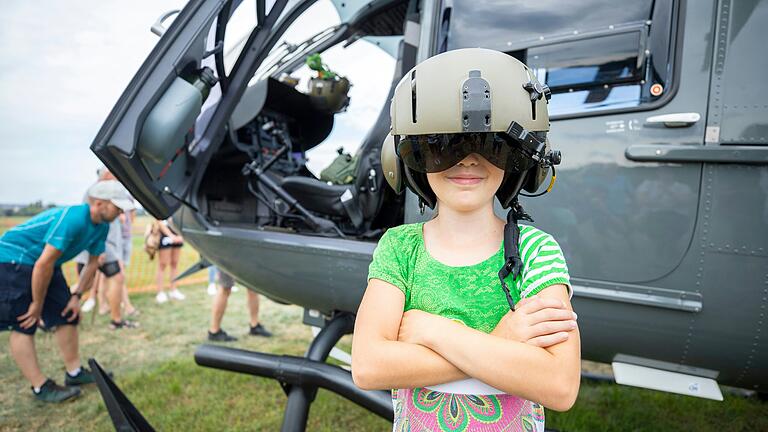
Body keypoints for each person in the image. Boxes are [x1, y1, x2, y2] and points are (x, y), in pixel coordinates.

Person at [351, 49, 580, 431]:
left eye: (490, 144)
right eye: (443, 146)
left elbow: (559, 385)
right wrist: (501, 339)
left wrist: (434, 331)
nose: (468, 161)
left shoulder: (536, 251)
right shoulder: (400, 248)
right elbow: (369, 366)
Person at [0, 180, 133, 402]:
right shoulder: (73, 219)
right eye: (116, 206)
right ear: (99, 203)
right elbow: (43, 264)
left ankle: (74, 373)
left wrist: (76, 296)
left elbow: (93, 262)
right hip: (14, 260)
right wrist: (37, 305)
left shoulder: (102, 226)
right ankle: (40, 387)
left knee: (67, 314)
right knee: (24, 321)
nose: (120, 212)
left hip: (47, 264)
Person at [208, 267, 272, 341]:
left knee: (253, 287)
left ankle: (255, 325)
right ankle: (214, 331)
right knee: (225, 288)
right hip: (227, 257)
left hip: (248, 258)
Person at [154, 219, 185, 303]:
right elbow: (159, 221)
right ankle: (160, 292)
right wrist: (171, 235)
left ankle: (173, 290)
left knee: (175, 263)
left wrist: (180, 235)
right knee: (162, 264)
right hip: (165, 235)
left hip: (177, 234)